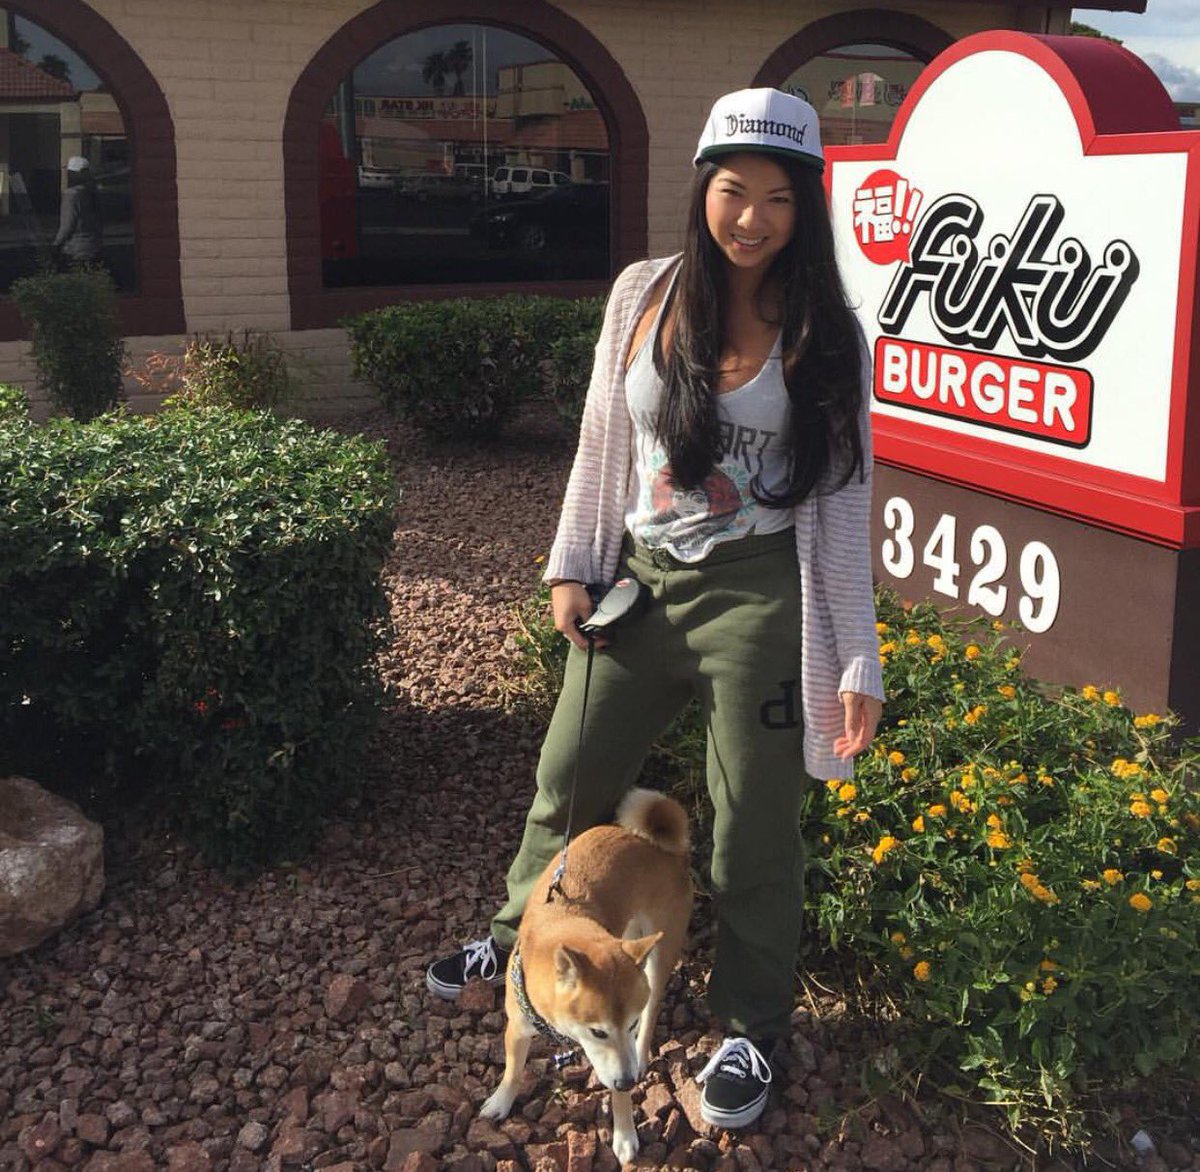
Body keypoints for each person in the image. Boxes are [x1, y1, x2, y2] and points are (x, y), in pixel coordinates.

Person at [427, 87, 884, 1131]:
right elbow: (602, 441)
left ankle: (750, 1024)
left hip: (759, 596)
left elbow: (846, 500)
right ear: (704, 190)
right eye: (734, 192)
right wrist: (569, 564)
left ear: (807, 207)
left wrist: (856, 656)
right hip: (640, 581)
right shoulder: (645, 292)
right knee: (566, 776)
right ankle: (516, 939)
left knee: (755, 825)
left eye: (779, 197)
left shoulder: (827, 330)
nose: (754, 218)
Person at [52, 156, 102, 266]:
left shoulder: (71, 195)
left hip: (75, 249)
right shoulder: (92, 192)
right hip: (93, 246)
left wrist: (56, 244)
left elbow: (67, 225)